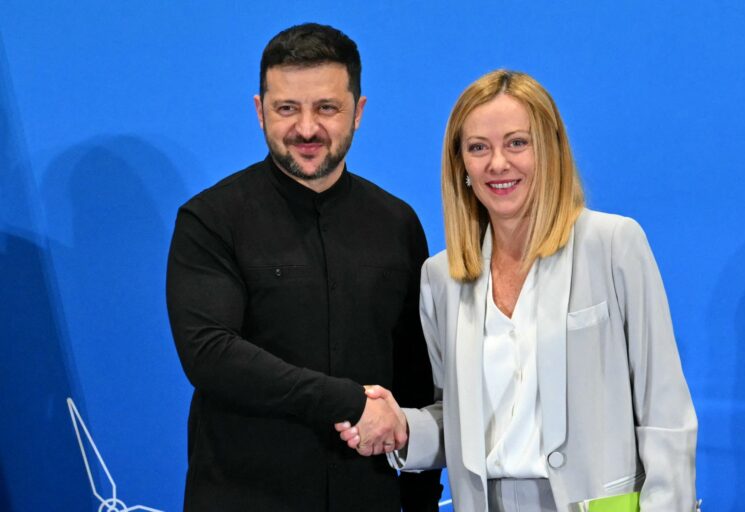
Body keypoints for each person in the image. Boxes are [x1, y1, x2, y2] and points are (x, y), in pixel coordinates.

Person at [336, 70, 698, 511]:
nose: (498, 164)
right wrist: (403, 428)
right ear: (461, 166)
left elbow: (664, 411)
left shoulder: (613, 244)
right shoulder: (442, 277)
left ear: (550, 150)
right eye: (478, 147)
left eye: (517, 143)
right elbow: (458, 421)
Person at [166, 22, 442, 511]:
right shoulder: (211, 219)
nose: (307, 128)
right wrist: (349, 401)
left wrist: (420, 502)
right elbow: (210, 354)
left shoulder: (398, 223)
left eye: (327, 108)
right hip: (246, 498)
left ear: (358, 111)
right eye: (287, 108)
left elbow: (415, 375)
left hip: (368, 497)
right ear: (260, 111)